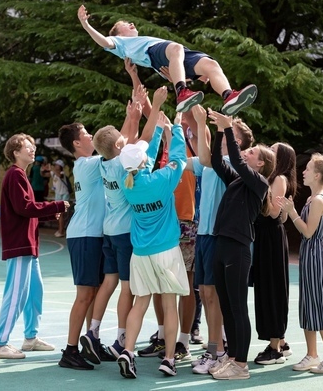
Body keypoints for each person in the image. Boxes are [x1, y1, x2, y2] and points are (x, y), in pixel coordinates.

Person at [80, 85, 166, 365]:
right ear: (120, 145)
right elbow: (144, 138)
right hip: (126, 232)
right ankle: (120, 337)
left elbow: (123, 139)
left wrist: (133, 115)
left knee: (109, 281)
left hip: (108, 229)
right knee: (127, 287)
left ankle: (92, 331)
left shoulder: (105, 163)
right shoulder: (124, 165)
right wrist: (152, 105)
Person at [77, 5, 258, 115]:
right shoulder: (121, 43)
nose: (132, 24)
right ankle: (182, 92)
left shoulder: (141, 39)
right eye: (126, 25)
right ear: (119, 34)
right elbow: (104, 41)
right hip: (158, 53)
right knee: (176, 48)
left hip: (178, 57)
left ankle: (228, 96)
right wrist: (85, 25)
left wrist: (188, 76)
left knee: (211, 65)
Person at [115, 111, 189, 379]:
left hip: (140, 253)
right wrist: (176, 128)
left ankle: (128, 350)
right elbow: (179, 160)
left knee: (140, 303)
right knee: (170, 306)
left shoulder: (128, 183)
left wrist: (158, 131)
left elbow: (143, 162)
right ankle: (169, 359)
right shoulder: (160, 181)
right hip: (166, 251)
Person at [208, 109, 275, 380]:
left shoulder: (259, 183)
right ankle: (233, 358)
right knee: (226, 307)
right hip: (222, 244)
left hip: (238, 248)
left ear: (259, 165)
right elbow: (217, 161)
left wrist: (228, 130)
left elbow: (235, 158)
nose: (247, 153)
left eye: (252, 154)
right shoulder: (236, 181)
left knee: (238, 308)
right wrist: (216, 132)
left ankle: (242, 366)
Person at [186, 105, 254, 375]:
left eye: (226, 133)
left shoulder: (231, 166)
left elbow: (203, 156)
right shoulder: (215, 162)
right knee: (205, 293)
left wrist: (201, 123)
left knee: (214, 296)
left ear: (236, 142)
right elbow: (193, 157)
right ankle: (216, 349)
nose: (221, 136)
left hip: (218, 236)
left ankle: (216, 351)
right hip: (204, 233)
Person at [0, 133, 69, 359]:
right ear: (16, 152)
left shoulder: (20, 175)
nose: (32, 150)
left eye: (33, 146)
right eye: (28, 147)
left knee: (35, 291)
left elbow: (28, 207)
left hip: (29, 245)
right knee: (16, 294)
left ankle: (30, 338)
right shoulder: (14, 175)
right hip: (20, 244)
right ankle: (0, 343)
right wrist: (55, 205)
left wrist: (48, 210)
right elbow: (24, 207)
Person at [277, 153, 323, 374]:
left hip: (315, 256)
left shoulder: (318, 201)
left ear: (316, 175)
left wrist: (292, 212)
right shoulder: (313, 198)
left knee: (318, 305)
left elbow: (308, 232)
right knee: (307, 305)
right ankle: (312, 354)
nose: (302, 172)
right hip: (309, 256)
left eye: (307, 169)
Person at [57, 122, 106, 370]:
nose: (91, 136)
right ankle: (70, 350)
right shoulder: (87, 164)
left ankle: (92, 342)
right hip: (85, 235)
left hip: (93, 235)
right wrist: (135, 115)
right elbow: (116, 145)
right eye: (86, 134)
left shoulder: (90, 164)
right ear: (77, 143)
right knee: (85, 295)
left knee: (94, 293)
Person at [251, 142, 297, 366]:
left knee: (272, 289)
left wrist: (257, 194)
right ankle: (281, 342)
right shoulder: (273, 179)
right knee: (269, 287)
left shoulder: (278, 180)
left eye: (273, 149)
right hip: (266, 237)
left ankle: (274, 348)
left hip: (270, 238)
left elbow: (273, 212)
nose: (268, 149)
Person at [51, 160, 71, 238]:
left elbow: (60, 175)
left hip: (64, 195)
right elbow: (44, 174)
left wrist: (53, 170)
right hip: (58, 195)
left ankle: (61, 231)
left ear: (61, 167)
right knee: (59, 214)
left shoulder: (62, 174)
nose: (55, 166)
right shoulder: (54, 175)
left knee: (61, 213)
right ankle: (60, 229)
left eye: (57, 165)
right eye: (55, 165)